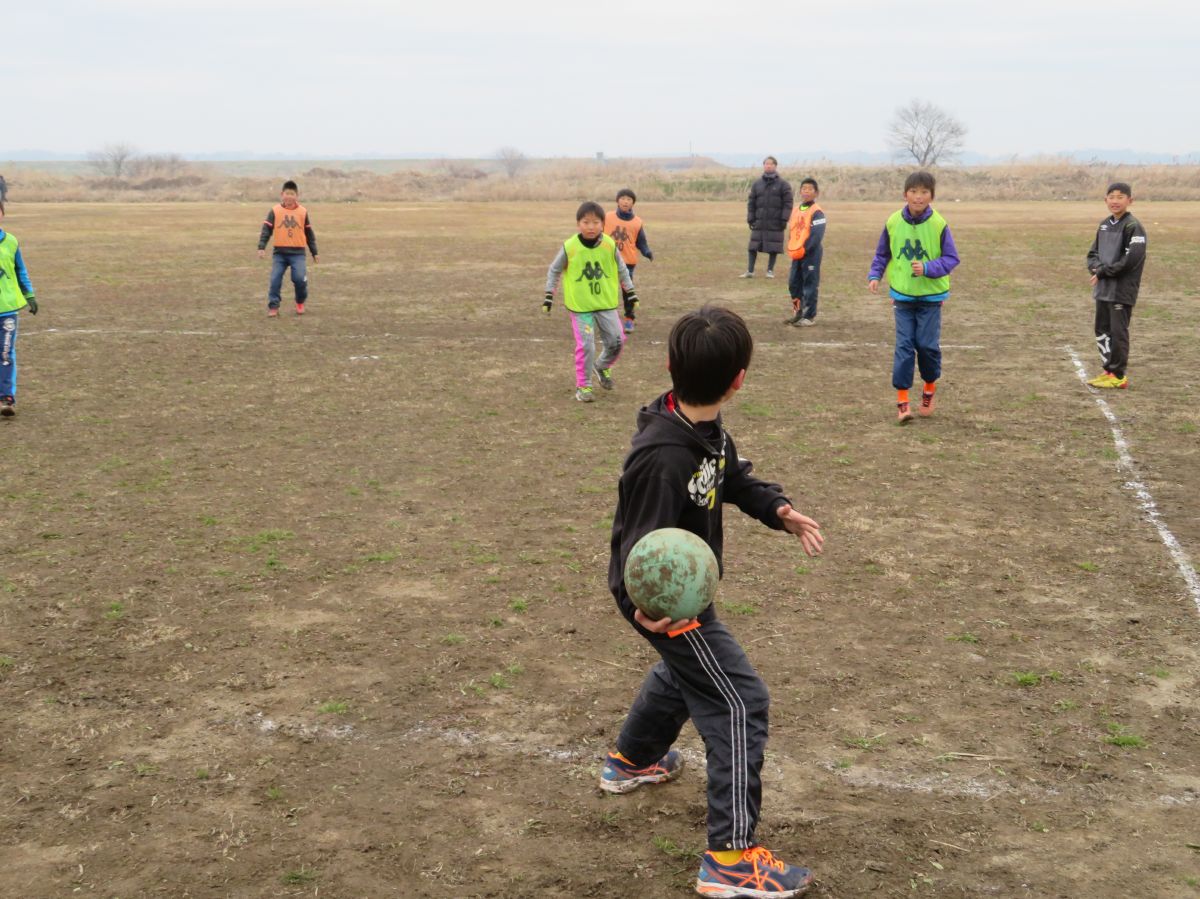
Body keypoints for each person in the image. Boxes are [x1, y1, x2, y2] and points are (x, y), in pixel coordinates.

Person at [602, 306, 823, 896]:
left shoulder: (705, 430)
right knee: (740, 701)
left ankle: (631, 761)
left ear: (669, 366)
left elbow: (731, 476)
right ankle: (730, 858)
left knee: (688, 674)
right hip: (665, 606)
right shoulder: (661, 457)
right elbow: (637, 545)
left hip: (687, 596)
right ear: (739, 379)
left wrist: (776, 508)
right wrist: (642, 608)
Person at [868, 171, 960, 424]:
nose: (918, 197)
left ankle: (929, 389)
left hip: (931, 298)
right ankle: (903, 402)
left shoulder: (939, 224)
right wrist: (875, 275)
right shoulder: (893, 221)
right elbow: (882, 253)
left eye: (924, 192)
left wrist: (929, 268)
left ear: (932, 196)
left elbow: (952, 258)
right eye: (913, 192)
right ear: (905, 194)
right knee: (904, 347)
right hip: (903, 298)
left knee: (927, 346)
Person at [543, 201, 637, 403]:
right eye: (586, 222)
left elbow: (622, 268)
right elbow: (554, 270)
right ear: (578, 224)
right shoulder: (570, 247)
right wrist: (549, 293)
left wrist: (630, 290)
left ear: (603, 224)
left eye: (595, 222)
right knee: (587, 346)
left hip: (605, 303)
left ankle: (601, 366)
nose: (591, 227)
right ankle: (584, 386)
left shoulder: (609, 245)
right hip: (581, 307)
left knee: (617, 341)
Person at [1086, 182, 1147, 389]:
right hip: (1103, 288)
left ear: (1130, 200)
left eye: (1120, 197)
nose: (1115, 201)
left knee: (1118, 331)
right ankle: (1109, 370)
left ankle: (1119, 375)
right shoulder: (1105, 224)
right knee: (1102, 330)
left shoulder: (1133, 226)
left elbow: (1131, 260)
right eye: (1111, 197)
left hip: (1121, 290)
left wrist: (1103, 272)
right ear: (1105, 200)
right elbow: (1092, 254)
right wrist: (1096, 268)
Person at [257, 180, 318, 317]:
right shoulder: (275, 211)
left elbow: (309, 233)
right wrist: (261, 246)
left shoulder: (303, 212)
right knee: (275, 279)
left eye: (292, 194)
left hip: (298, 254)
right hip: (280, 254)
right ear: (282, 194)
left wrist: (314, 252)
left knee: (299, 279)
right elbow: (266, 229)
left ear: (297, 196)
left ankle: (300, 301)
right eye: (287, 193)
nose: (289, 196)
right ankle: (273, 306)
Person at [0, 202, 39, 417]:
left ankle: (6, 398)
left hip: (7, 310)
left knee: (5, 354)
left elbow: (20, 270)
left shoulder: (11, 241)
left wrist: (29, 295)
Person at [604, 188, 654, 334]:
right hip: (607, 261)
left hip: (627, 263)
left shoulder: (637, 222)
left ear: (633, 203)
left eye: (629, 199)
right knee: (607, 290)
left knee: (628, 292)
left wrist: (647, 252)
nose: (625, 202)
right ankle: (606, 318)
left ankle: (629, 318)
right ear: (617, 201)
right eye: (623, 198)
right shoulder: (607, 217)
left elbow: (641, 242)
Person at [784, 178, 826, 326]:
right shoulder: (796, 210)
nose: (806, 191)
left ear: (816, 193)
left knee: (809, 284)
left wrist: (805, 249)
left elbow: (817, 235)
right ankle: (798, 312)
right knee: (794, 284)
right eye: (804, 189)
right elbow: (793, 231)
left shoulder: (817, 212)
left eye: (810, 189)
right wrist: (793, 247)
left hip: (811, 254)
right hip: (797, 254)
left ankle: (809, 316)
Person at [742, 157, 793, 279]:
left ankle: (770, 271)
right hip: (759, 221)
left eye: (771, 164)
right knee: (753, 246)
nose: (768, 166)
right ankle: (750, 271)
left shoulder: (783, 184)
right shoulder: (757, 184)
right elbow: (751, 202)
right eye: (766, 164)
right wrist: (751, 218)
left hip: (775, 222)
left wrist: (784, 219)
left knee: (773, 247)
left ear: (775, 166)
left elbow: (788, 203)